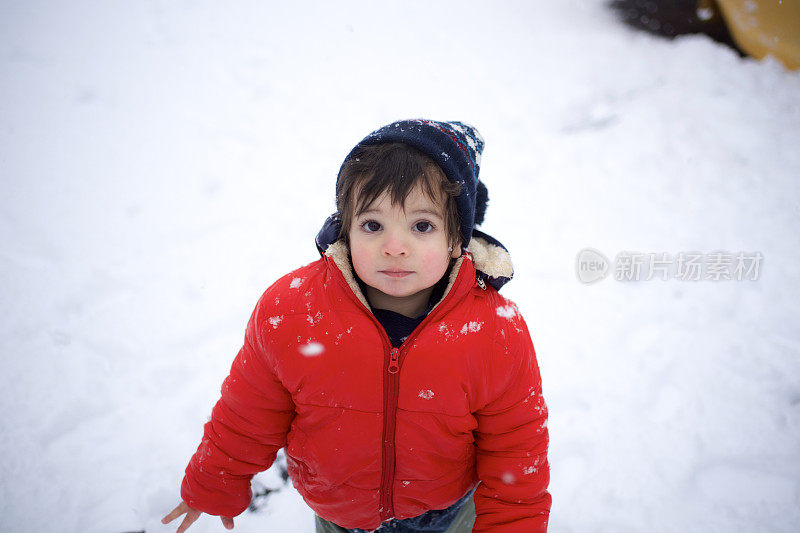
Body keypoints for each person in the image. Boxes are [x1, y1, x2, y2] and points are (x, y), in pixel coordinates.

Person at [162, 119, 551, 533]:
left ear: (458, 238)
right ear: (345, 228)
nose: (395, 246)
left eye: (422, 226)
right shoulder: (293, 314)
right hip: (340, 516)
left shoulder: (493, 333)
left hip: (447, 512)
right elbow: (248, 410)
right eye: (372, 225)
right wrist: (215, 479)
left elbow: (516, 450)